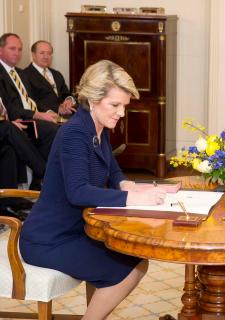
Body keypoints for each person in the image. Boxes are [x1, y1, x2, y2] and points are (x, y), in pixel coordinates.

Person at [20, 60, 167, 319]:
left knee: (133, 259)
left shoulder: (98, 127)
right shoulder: (75, 133)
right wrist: (133, 197)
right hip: (49, 239)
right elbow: (77, 192)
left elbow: (111, 170)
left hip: (79, 230)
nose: (121, 113)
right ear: (93, 99)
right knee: (130, 268)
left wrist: (126, 183)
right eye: (115, 105)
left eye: (124, 105)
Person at [0, 33, 57, 160]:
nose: (17, 53)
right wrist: (37, 115)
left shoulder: (21, 73)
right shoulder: (1, 74)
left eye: (19, 49)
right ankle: (42, 175)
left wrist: (47, 112)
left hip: (33, 115)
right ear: (0, 50)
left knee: (63, 125)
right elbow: (9, 106)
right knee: (52, 130)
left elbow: (33, 99)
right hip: (20, 121)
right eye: (12, 49)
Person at [23, 40, 76, 115]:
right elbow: (30, 100)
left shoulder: (57, 74)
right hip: (45, 117)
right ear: (33, 55)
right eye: (42, 53)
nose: (46, 56)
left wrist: (69, 99)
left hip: (66, 114)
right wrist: (57, 109)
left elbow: (66, 93)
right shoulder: (25, 75)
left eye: (49, 53)